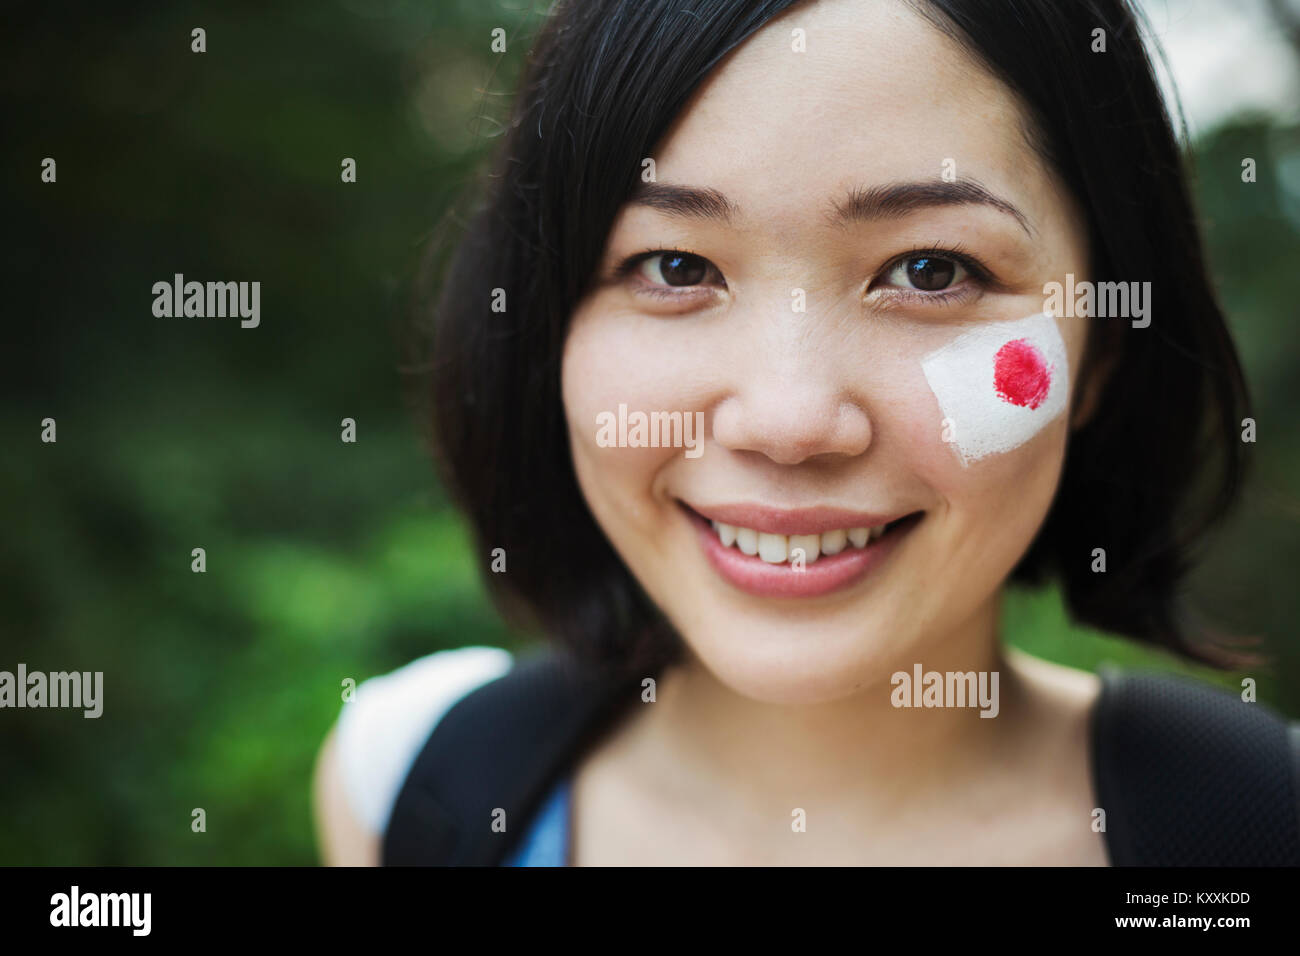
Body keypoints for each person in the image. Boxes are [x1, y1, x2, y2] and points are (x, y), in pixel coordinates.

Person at [312, 0, 1297, 866]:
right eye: (672, 265)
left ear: (1100, 352)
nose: (788, 422)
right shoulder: (410, 781)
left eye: (929, 270)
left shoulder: (1253, 829)